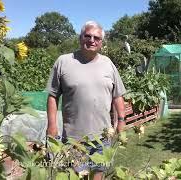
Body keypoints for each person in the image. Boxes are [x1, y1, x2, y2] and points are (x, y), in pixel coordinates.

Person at [46, 20, 126, 180]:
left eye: (96, 38)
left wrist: (122, 122)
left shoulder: (108, 64)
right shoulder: (64, 62)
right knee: (76, 176)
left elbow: (118, 95)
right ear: (80, 38)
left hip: (103, 138)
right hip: (74, 139)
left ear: (101, 42)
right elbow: (53, 95)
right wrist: (52, 126)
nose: (92, 40)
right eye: (87, 36)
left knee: (98, 175)